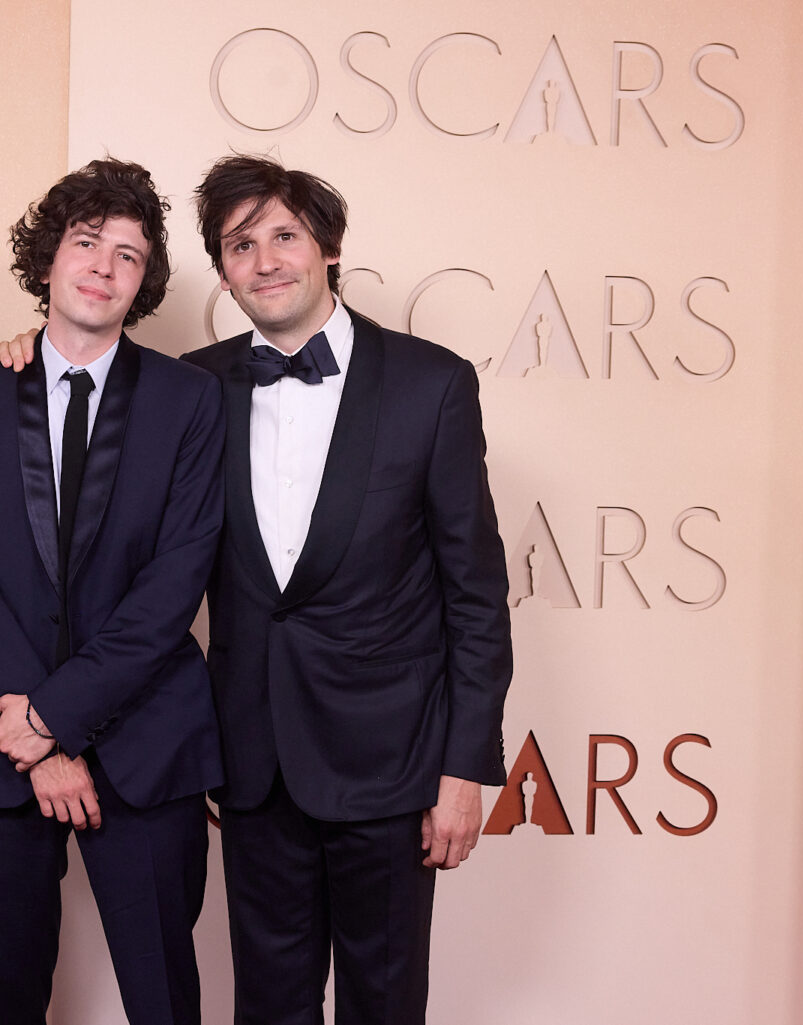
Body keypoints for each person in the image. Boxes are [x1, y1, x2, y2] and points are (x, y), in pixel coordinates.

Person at [183, 155, 512, 1024]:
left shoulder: (430, 384)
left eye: (284, 235)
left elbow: (474, 592)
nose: (265, 260)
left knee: (386, 1003)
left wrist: (463, 768)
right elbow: (84, 385)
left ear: (327, 247)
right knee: (269, 1004)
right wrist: (21, 353)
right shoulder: (192, 387)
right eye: (240, 244)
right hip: (255, 767)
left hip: (395, 768)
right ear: (223, 270)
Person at [0, 159, 225, 1025]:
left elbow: (176, 581)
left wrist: (56, 717)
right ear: (49, 260)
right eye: (88, 243)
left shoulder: (189, 400)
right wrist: (37, 739)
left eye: (129, 255)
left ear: (144, 284)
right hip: (1, 742)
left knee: (164, 998)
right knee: (7, 995)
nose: (104, 265)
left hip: (145, 741)